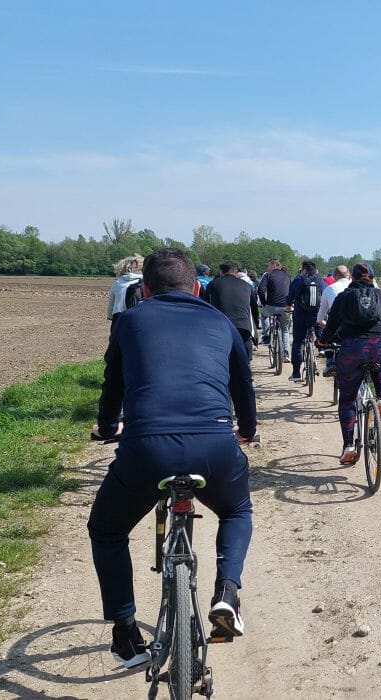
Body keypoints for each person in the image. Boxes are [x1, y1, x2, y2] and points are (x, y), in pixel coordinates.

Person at [87, 248, 257, 668]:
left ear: (144, 289)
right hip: (215, 444)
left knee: (106, 530)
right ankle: (227, 593)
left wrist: (107, 428)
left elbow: (113, 386)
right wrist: (247, 430)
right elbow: (243, 385)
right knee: (236, 510)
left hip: (147, 449)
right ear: (196, 287)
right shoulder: (220, 321)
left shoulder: (129, 321)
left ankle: (125, 633)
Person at [321, 263, 381, 465]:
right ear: (373, 278)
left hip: (354, 350)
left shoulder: (344, 297)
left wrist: (321, 342)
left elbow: (331, 326)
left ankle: (349, 447)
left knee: (347, 400)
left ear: (352, 278)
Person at [207, 261, 259, 361]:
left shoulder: (213, 284)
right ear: (237, 273)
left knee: (220, 355)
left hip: (221, 325)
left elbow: (206, 304)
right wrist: (256, 324)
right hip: (243, 326)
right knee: (245, 354)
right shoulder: (247, 286)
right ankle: (247, 366)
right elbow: (254, 308)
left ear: (221, 272)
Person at [286, 261, 327, 382]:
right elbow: (325, 296)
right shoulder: (320, 280)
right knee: (321, 332)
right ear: (315, 269)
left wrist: (288, 307)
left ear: (303, 269)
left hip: (301, 316)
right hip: (317, 315)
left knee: (298, 342)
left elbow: (290, 297)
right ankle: (322, 349)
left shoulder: (298, 279)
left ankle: (296, 373)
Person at [317, 265, 352, 377]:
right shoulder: (355, 287)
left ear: (335, 276)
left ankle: (331, 363)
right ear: (349, 275)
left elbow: (322, 312)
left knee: (328, 336)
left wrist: (320, 321)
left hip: (337, 327)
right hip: (355, 327)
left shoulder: (329, 289)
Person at [257, 259, 292, 361]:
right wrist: (290, 304)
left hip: (271, 305)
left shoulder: (268, 275)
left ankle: (267, 336)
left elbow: (260, 290)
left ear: (273, 266)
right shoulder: (287, 275)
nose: (267, 268)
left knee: (264, 316)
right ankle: (286, 353)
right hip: (285, 306)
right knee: (285, 329)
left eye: (268, 266)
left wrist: (264, 303)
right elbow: (291, 290)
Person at [107, 255, 144, 330]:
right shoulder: (145, 282)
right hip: (138, 318)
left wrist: (110, 316)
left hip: (119, 319)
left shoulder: (117, 283)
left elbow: (110, 307)